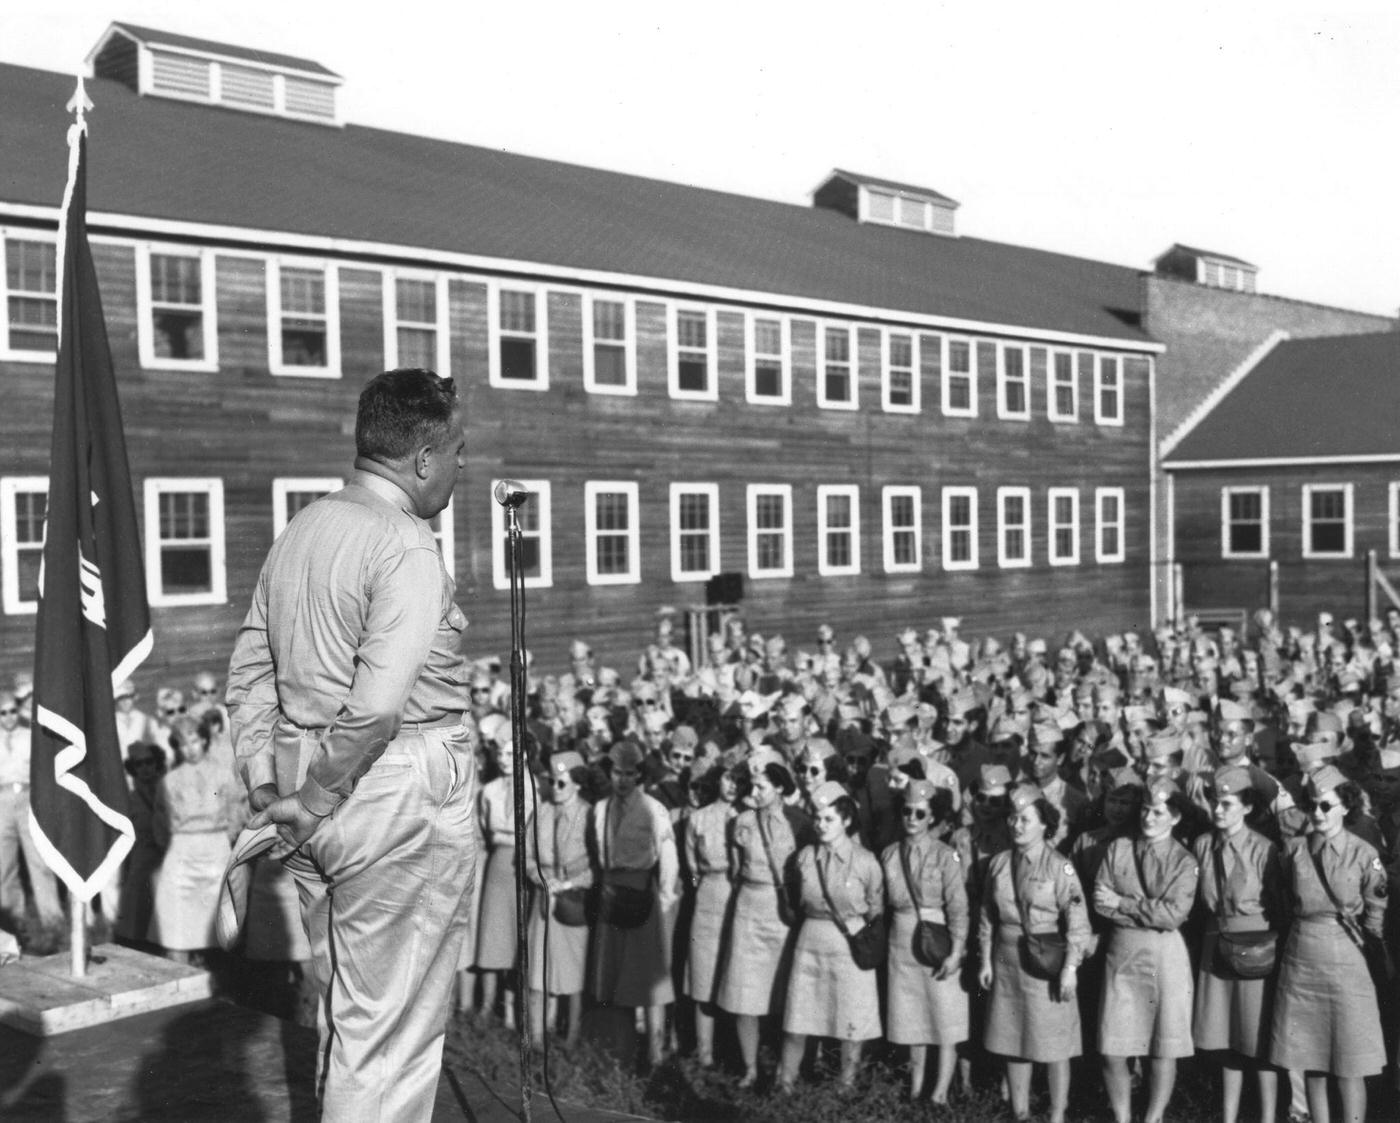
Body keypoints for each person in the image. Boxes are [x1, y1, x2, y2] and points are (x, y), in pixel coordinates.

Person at [226, 367, 475, 1120]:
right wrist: (310, 798)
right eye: (458, 451)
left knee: (350, 1011)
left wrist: (269, 781)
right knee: (391, 1031)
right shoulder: (404, 544)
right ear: (424, 458)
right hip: (388, 792)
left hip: (309, 784)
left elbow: (248, 673)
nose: (462, 467)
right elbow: (374, 711)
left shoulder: (303, 527)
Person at [1270, 764, 1387, 1123]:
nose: (1318, 814)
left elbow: (1376, 909)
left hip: (1347, 959)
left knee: (1350, 1063)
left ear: (1346, 807)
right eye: (1313, 806)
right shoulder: (1293, 850)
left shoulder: (1363, 853)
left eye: (1327, 806)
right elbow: (1282, 898)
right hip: (1301, 959)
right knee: (1312, 1059)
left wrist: (1373, 947)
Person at [979, 784, 1090, 1123]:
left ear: (1045, 824)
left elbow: (1078, 922)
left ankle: (1057, 1114)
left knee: (1056, 1043)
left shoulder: (1060, 867)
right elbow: (986, 917)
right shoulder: (999, 863)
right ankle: (1020, 1111)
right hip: (1008, 959)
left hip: (1047, 961)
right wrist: (985, 959)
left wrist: (1071, 967)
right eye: (1013, 818)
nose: (1016, 825)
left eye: (1025, 819)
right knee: (1013, 1037)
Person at [1094, 776, 1199, 1123]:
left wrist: (1125, 903)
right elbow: (1100, 901)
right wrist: (1145, 907)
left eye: (1157, 812)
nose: (1148, 818)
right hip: (1122, 952)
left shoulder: (1184, 861)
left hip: (1164, 956)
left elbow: (1173, 915)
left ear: (1175, 817)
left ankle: (1153, 1117)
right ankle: (1122, 1116)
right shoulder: (1118, 848)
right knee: (1113, 1045)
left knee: (1161, 1046)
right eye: (1144, 810)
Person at [777, 781, 884, 1093]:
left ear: (846, 820)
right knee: (798, 1016)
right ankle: (785, 1084)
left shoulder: (865, 861)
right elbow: (798, 899)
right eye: (818, 818)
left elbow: (875, 909)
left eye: (829, 819)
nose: (821, 826)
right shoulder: (805, 858)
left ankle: (846, 1086)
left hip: (850, 943)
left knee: (851, 1019)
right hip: (810, 941)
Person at [1192, 765, 1283, 1123]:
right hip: (1216, 939)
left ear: (1246, 807)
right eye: (1215, 801)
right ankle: (1228, 1117)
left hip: (1256, 943)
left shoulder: (1264, 849)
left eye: (1227, 804)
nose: (1218, 810)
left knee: (1257, 1040)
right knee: (1225, 1037)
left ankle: (1267, 1116)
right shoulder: (1202, 845)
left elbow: (1278, 905)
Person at [716, 748, 810, 1087]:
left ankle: (787, 1073)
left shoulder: (798, 823)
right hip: (748, 907)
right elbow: (736, 869)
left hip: (782, 911)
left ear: (781, 788)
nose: (753, 794)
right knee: (745, 992)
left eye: (761, 788)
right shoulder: (740, 823)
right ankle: (750, 1068)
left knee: (788, 993)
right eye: (752, 787)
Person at [589, 739, 680, 1066]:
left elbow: (668, 858)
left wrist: (666, 899)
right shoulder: (601, 809)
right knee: (616, 978)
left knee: (649, 980)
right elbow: (600, 857)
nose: (622, 779)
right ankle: (622, 1053)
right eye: (617, 772)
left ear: (639, 775)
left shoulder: (654, 809)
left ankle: (656, 1054)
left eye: (629, 773)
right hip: (612, 894)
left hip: (643, 895)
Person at [882, 778, 969, 1104]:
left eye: (920, 813)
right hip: (901, 943)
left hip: (938, 943)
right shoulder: (890, 854)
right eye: (907, 811)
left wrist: (956, 952)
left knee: (945, 1020)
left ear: (932, 817)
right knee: (911, 1018)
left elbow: (959, 908)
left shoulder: (947, 856)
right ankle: (916, 1086)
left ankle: (940, 1093)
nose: (912, 818)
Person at [149, 715, 239, 961]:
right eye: (182, 743)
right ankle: (181, 975)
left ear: (204, 740)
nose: (190, 749)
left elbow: (234, 811)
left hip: (216, 845)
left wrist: (226, 839)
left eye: (195, 741)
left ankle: (219, 977)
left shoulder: (223, 774)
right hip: (182, 848)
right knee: (176, 921)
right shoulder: (170, 780)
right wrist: (174, 845)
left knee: (218, 916)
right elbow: (160, 821)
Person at [525, 750, 593, 1048]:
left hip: (573, 901)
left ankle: (573, 1036)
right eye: (552, 781)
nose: (555, 788)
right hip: (543, 897)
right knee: (537, 968)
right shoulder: (541, 812)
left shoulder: (589, 815)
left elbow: (596, 865)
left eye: (562, 783)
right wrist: (540, 877)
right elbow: (527, 856)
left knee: (573, 971)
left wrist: (570, 883)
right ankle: (536, 1036)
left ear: (577, 783)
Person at [682, 759, 740, 1068]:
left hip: (739, 896)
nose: (732, 786)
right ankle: (704, 1053)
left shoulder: (746, 817)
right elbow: (691, 865)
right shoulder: (699, 819)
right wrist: (700, 886)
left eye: (738, 780)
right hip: (708, 892)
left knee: (734, 972)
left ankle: (732, 1051)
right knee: (703, 972)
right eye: (728, 779)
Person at [0, 690, 64, 941]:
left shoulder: (29, 737)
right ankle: (12, 924)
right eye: (2, 713)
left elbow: (43, 770)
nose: (8, 718)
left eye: (12, 711)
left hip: (27, 798)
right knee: (4, 866)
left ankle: (53, 922)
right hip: (1, 802)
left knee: (39, 862)